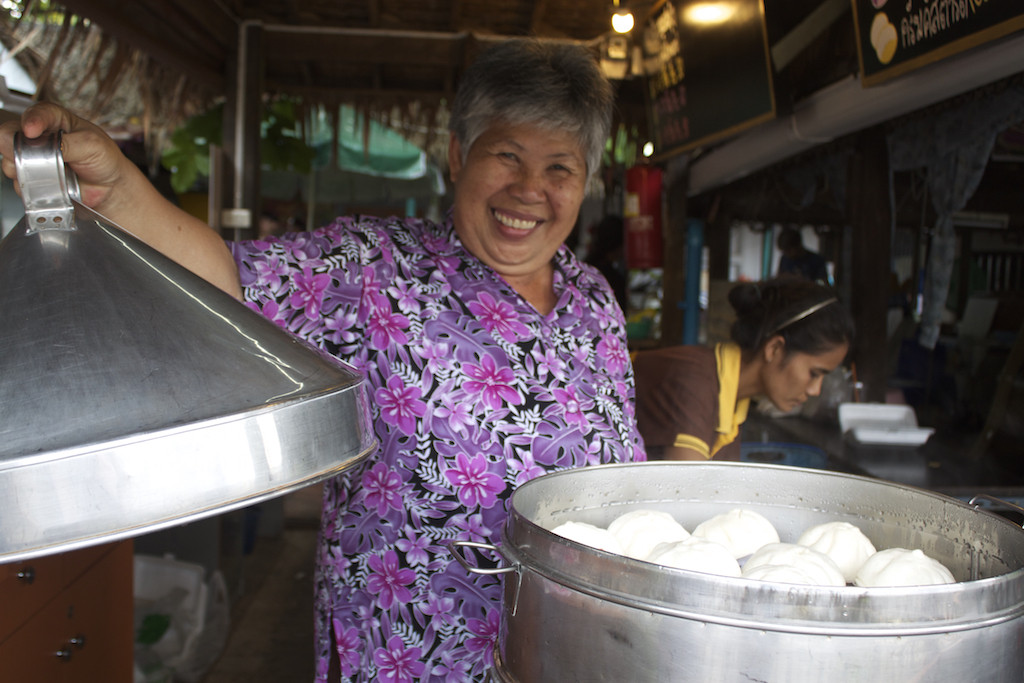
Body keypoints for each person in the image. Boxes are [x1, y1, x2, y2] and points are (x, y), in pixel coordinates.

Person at [0, 39, 645, 681]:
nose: (530, 189)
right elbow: (224, 284)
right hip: (407, 657)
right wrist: (117, 189)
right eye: (507, 156)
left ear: (585, 182)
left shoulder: (594, 300)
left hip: (563, 658)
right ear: (458, 155)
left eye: (560, 168)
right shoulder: (374, 270)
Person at [632, 276, 853, 461]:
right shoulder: (694, 382)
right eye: (814, 374)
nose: (815, 390)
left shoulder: (734, 398)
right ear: (774, 348)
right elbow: (686, 494)